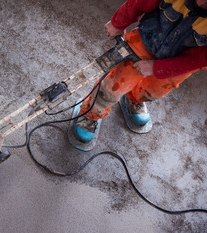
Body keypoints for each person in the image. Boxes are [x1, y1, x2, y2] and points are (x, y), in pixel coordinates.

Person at [73, 0, 207, 144]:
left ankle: (133, 99)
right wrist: (118, 22)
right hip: (146, 39)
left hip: (179, 62)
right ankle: (91, 114)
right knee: (114, 84)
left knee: (153, 91)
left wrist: (156, 67)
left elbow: (200, 59)